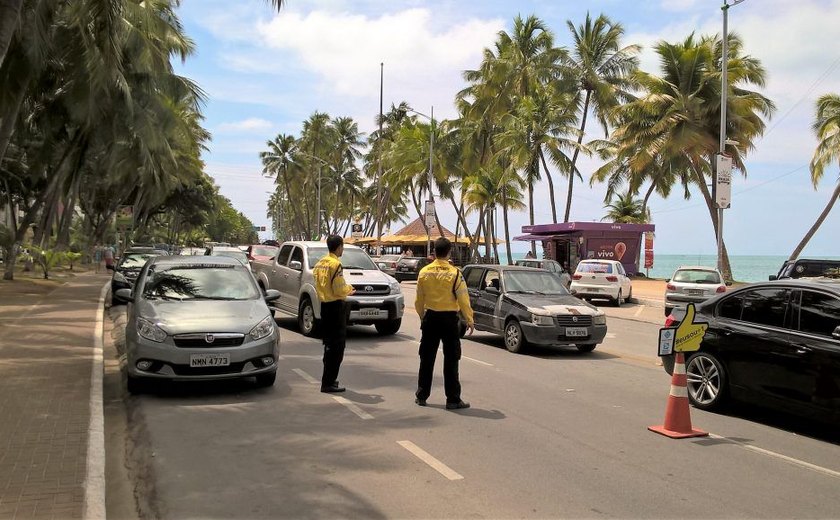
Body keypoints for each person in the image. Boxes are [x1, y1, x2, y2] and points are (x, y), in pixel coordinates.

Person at [414, 237, 475, 410]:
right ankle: (453, 399)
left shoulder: (424, 272)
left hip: (431, 318)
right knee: (451, 359)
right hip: (449, 320)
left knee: (426, 358)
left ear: (434, 251)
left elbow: (419, 299)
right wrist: (469, 319)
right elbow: (463, 298)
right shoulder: (455, 273)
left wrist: (422, 316)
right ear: (449, 252)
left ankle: (422, 395)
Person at [312, 235, 355, 393]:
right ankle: (328, 382)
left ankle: (329, 380)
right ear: (339, 247)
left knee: (329, 345)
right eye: (342, 246)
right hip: (336, 308)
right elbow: (338, 289)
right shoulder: (336, 264)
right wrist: (349, 289)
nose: (342, 249)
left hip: (325, 306)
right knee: (337, 346)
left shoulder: (320, 264)